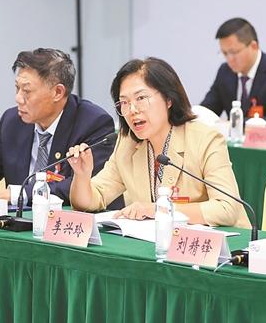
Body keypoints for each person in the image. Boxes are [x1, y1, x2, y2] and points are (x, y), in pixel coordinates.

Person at [68, 57, 250, 228]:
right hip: (155, 243)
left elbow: (227, 208)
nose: (132, 110)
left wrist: (158, 210)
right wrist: (82, 176)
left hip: (221, 246)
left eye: (141, 98)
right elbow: (92, 199)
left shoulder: (205, 139)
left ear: (168, 99)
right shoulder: (127, 143)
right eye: (124, 102)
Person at [0, 48, 116, 204]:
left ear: (57, 92)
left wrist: (13, 195)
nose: (18, 98)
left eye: (27, 91)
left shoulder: (93, 123)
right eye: (17, 88)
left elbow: (83, 186)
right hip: (18, 223)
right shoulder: (13, 121)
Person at [201, 18, 266, 132]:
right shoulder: (225, 71)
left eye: (233, 52)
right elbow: (208, 110)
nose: (229, 59)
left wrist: (234, 124)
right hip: (237, 141)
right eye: (224, 53)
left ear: (253, 46)